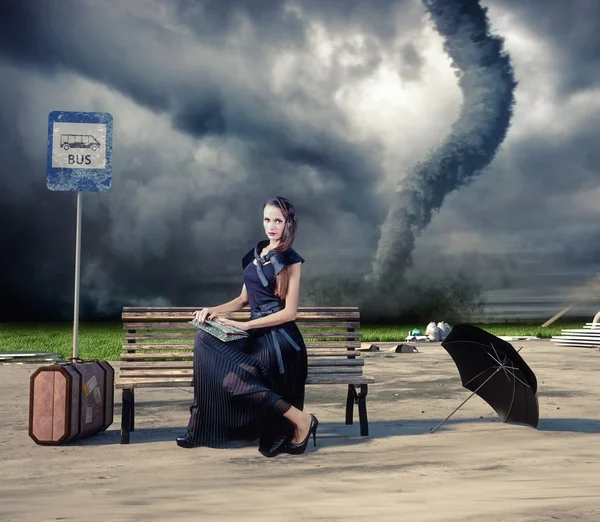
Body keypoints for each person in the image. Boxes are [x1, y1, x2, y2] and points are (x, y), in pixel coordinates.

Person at [176, 196, 318, 457]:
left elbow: (290, 313)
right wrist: (213, 311)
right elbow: (243, 300)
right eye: (267, 219)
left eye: (278, 220)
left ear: (288, 223)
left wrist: (247, 325)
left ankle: (301, 420)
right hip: (254, 334)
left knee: (234, 380)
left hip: (280, 341)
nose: (271, 226)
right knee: (204, 338)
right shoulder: (254, 255)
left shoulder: (291, 260)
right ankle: (198, 427)